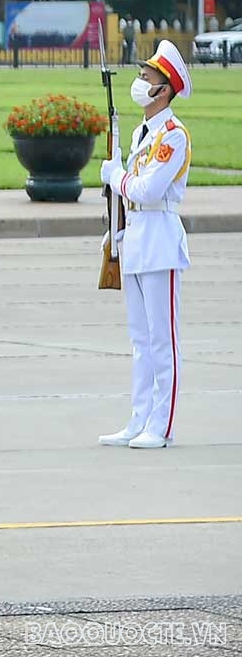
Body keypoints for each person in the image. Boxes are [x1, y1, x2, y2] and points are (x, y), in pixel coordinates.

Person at [98, 40, 192, 451]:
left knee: (161, 340)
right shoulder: (142, 132)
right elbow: (132, 195)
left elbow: (149, 189)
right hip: (135, 236)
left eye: (147, 78)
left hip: (159, 239)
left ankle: (162, 424)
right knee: (139, 338)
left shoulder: (173, 136)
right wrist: (115, 227)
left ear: (165, 90)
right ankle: (138, 418)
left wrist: (115, 176)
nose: (140, 83)